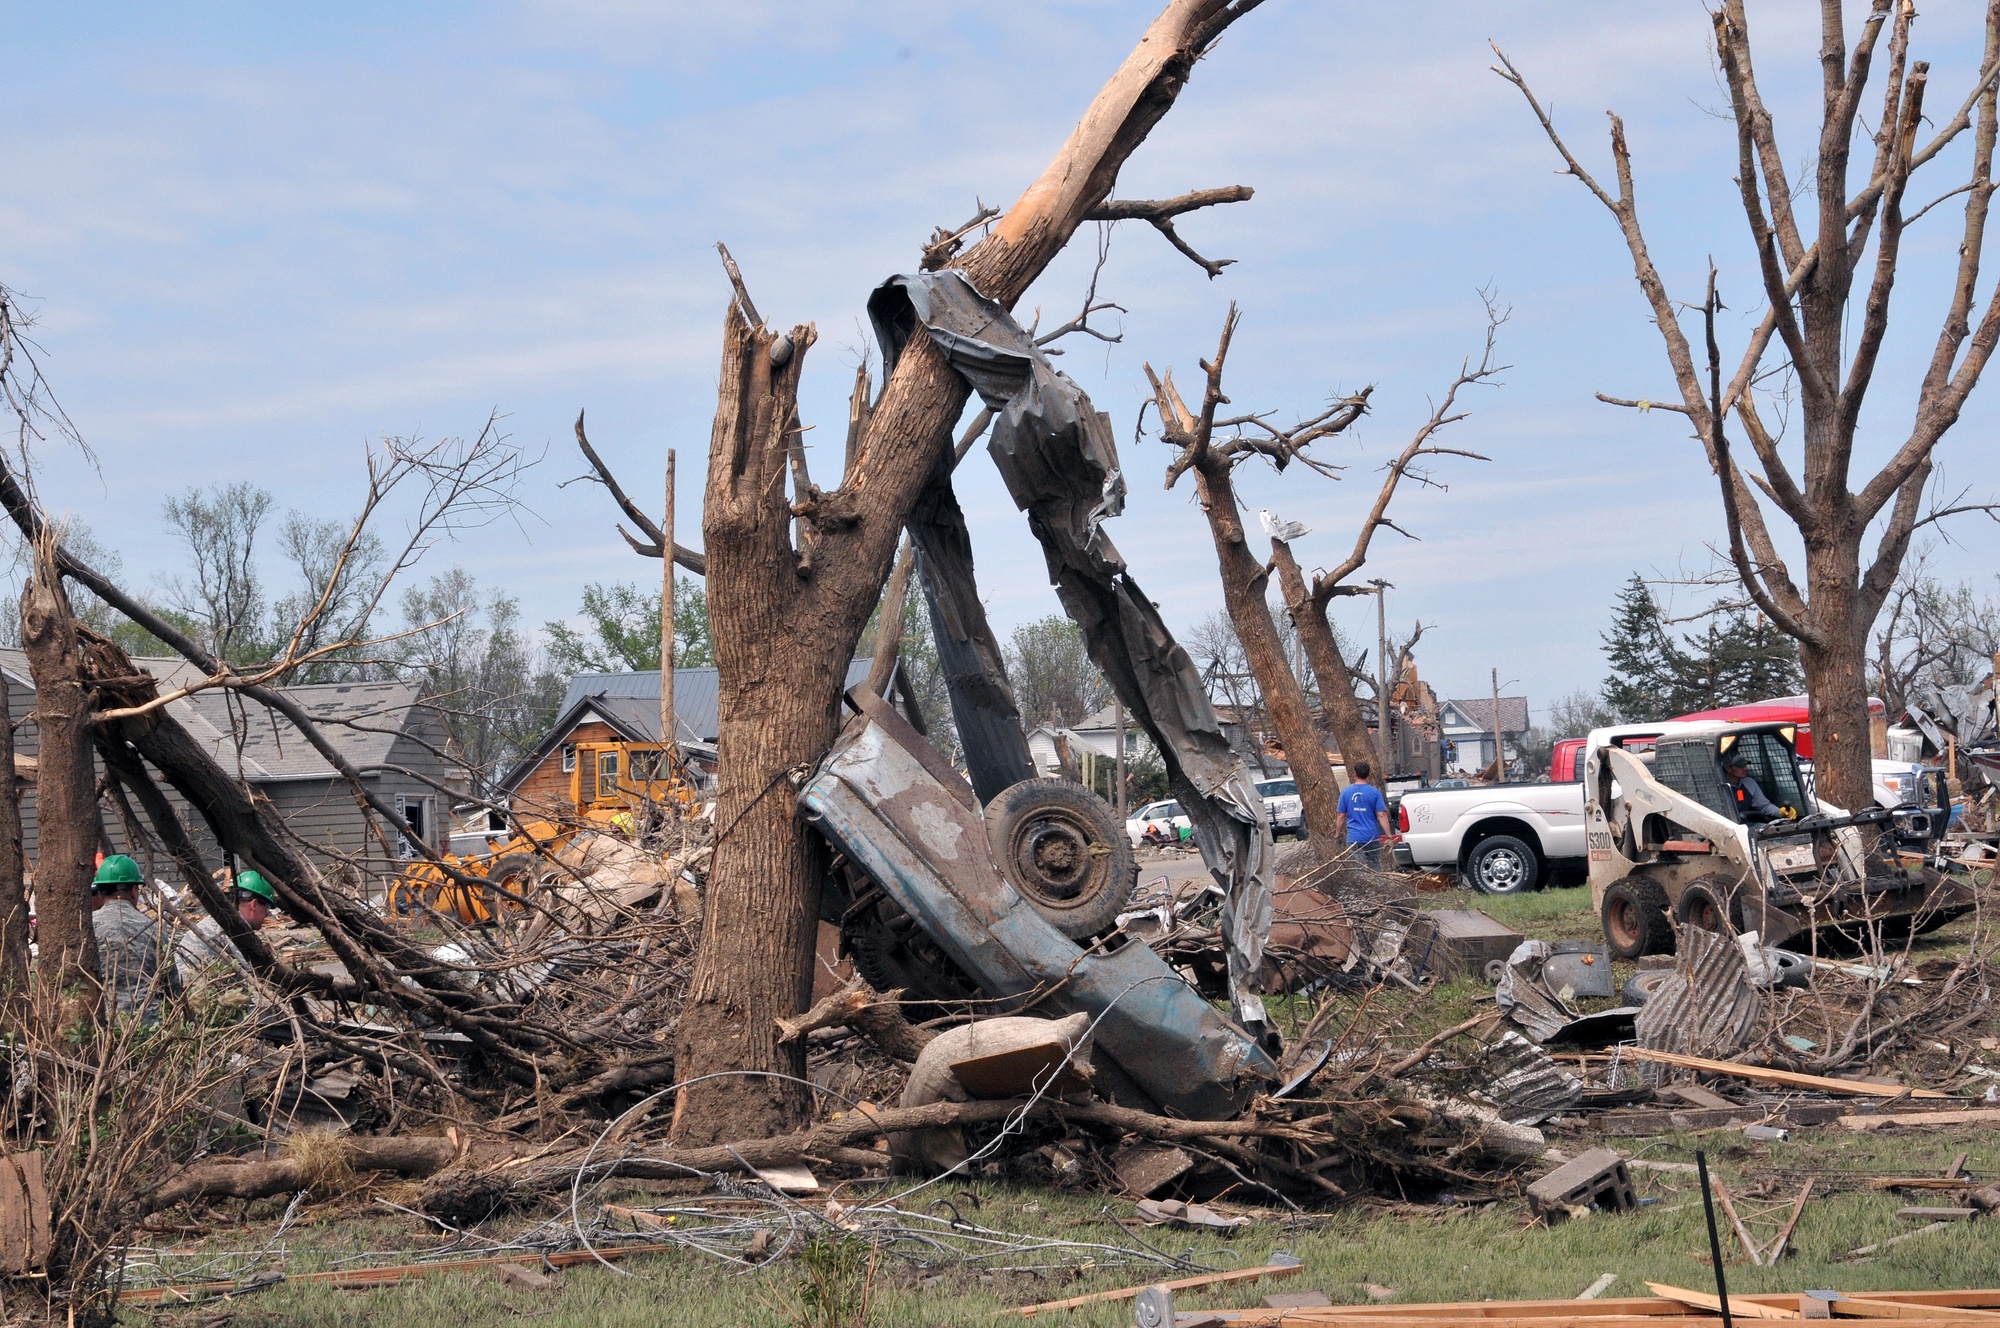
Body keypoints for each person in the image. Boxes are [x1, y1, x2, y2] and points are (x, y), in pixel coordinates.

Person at [89, 854, 175, 1022]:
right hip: (148, 1025)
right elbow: (172, 986)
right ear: (134, 891)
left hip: (101, 1023)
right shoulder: (153, 929)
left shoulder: (88, 927)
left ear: (99, 891)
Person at [175, 869, 276, 985]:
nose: (267, 914)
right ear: (253, 904)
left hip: (185, 990)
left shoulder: (220, 920)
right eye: (267, 908)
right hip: (199, 996)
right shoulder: (236, 930)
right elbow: (259, 978)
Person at [1334, 761, 1392, 868]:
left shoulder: (1346, 792)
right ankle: (1376, 884)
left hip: (1354, 837)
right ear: (1368, 774)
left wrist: (1337, 834)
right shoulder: (1375, 792)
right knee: (1374, 866)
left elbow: (1341, 816)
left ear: (1355, 774)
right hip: (1372, 836)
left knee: (1358, 869)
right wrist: (1389, 834)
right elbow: (1381, 815)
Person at [1721, 754, 1785, 823]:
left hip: (1747, 824)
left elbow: (1764, 806)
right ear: (1728, 768)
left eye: (1745, 765)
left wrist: (1781, 812)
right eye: (1740, 766)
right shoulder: (1719, 787)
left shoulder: (1749, 783)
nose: (1745, 769)